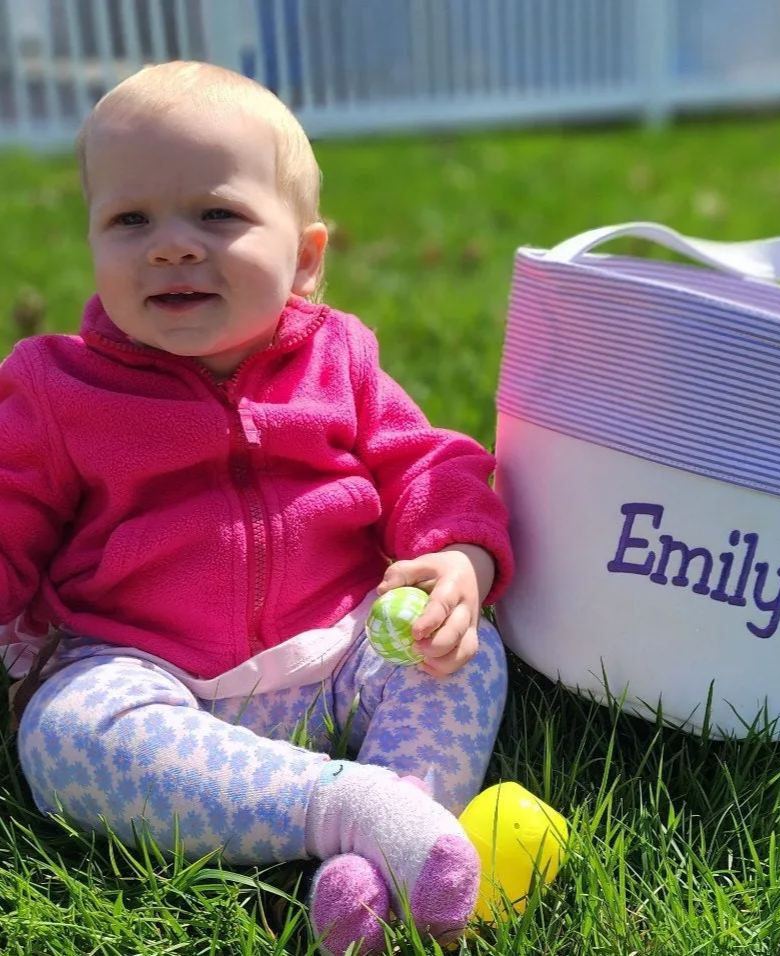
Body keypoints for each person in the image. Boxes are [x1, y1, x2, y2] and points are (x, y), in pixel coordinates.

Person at [0, 60, 513, 956]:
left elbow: (426, 460)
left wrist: (461, 558)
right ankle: (360, 810)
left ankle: (379, 857)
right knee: (63, 735)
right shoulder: (55, 389)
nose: (170, 245)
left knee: (463, 656)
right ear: (92, 240)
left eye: (217, 215)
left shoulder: (338, 360)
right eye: (131, 220)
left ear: (307, 258)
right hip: (154, 681)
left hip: (343, 650)